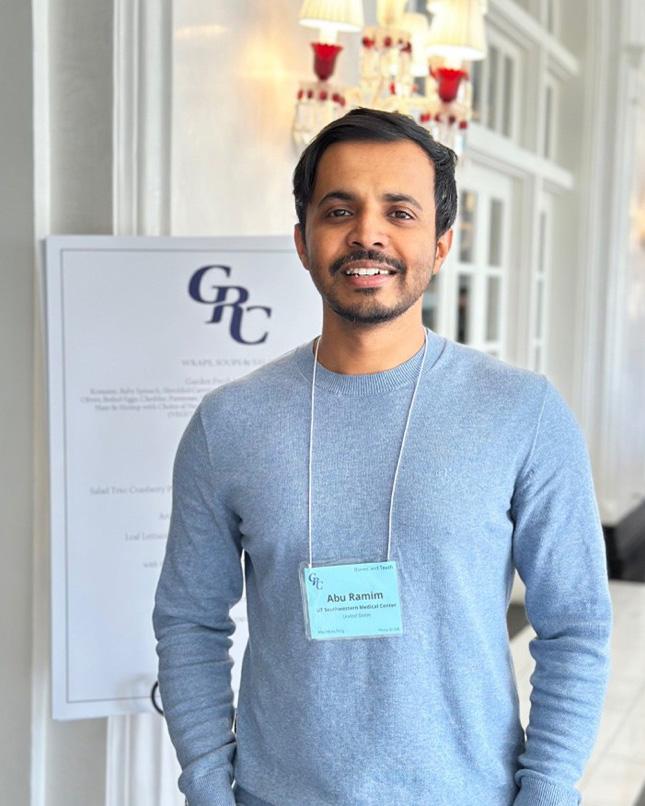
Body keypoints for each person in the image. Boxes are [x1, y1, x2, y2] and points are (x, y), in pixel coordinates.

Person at [153, 108, 612, 806]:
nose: (367, 232)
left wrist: (546, 793)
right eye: (339, 209)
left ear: (441, 242)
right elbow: (188, 619)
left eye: (399, 211)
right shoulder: (229, 424)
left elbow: (574, 622)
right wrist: (211, 789)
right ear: (303, 240)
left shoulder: (522, 413)